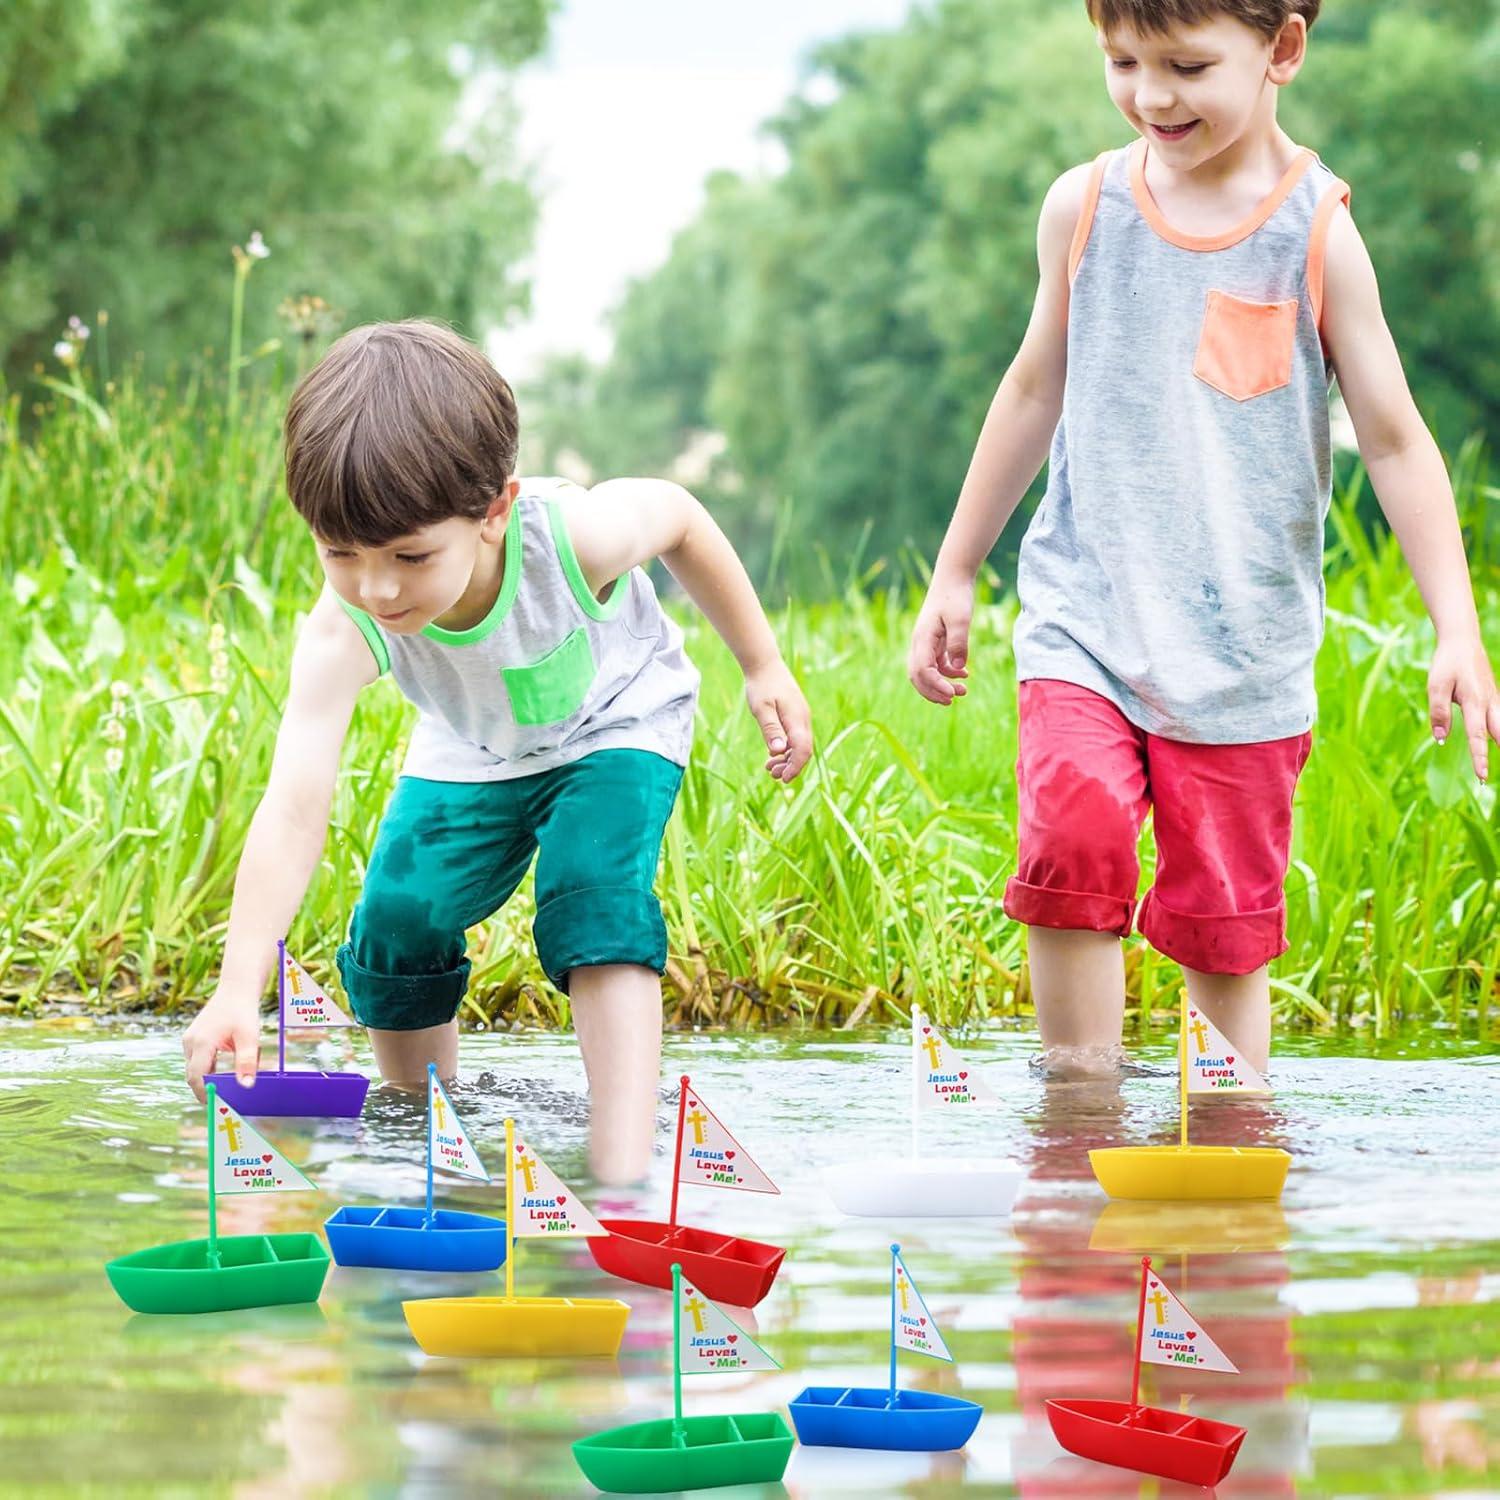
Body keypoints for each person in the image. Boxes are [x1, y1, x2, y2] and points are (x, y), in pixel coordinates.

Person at [908, 0, 1499, 1076]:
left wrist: (1456, 628)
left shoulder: (1315, 228)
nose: (1151, 95)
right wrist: (955, 569)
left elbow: (1399, 440)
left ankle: (1226, 1138)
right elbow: (1035, 386)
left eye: (1185, 64)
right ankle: (1075, 1105)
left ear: (1283, 49)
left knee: (1225, 913)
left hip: (1244, 651)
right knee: (1073, 829)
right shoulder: (1082, 207)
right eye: (1123, 60)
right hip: (1085, 615)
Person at [182, 319, 812, 1182]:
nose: (377, 586)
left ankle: (622, 1167)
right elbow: (294, 807)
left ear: (493, 511)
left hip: (615, 719)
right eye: (340, 552)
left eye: (409, 555)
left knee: (591, 890)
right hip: (473, 743)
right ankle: (423, 1130)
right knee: (398, 921)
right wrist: (234, 987)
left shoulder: (574, 537)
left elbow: (683, 517)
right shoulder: (346, 626)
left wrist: (762, 663)